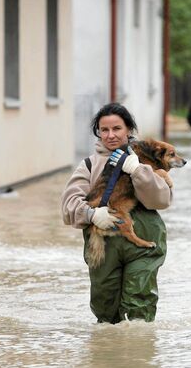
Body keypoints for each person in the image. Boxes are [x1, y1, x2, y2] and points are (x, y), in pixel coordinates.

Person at [61, 103, 172, 323]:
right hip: (103, 245)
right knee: (105, 309)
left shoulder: (148, 162)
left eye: (117, 128)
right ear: (99, 133)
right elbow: (68, 205)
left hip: (144, 242)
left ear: (129, 130)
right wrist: (91, 215)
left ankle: (137, 354)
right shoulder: (89, 165)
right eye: (104, 130)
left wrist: (139, 171)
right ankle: (108, 354)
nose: (111, 135)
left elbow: (161, 200)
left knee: (139, 306)